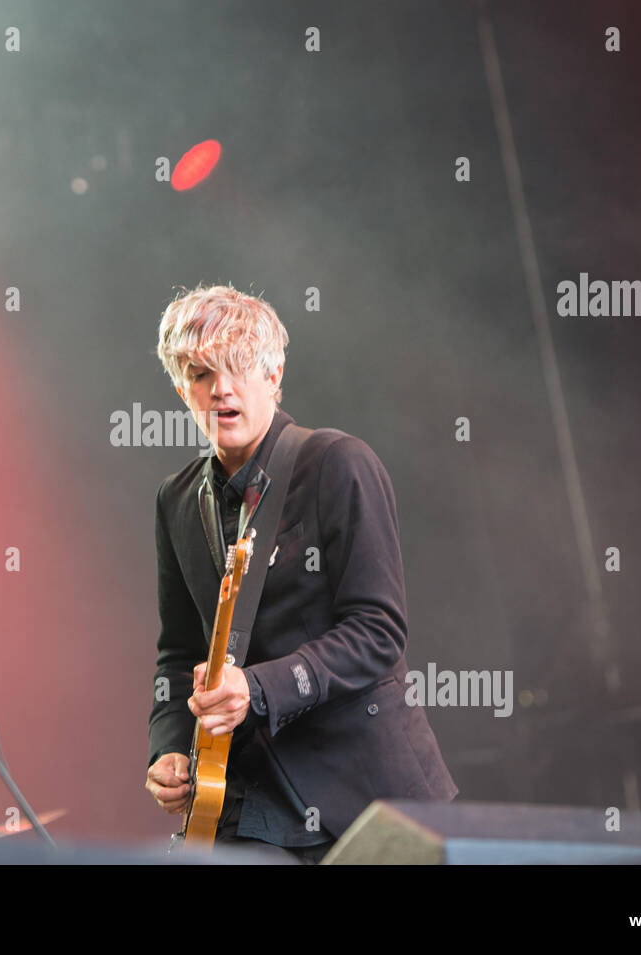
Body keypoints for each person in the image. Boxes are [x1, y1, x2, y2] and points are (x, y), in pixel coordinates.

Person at [144, 285, 457, 864]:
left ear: (273, 373)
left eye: (237, 365)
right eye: (200, 373)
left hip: (361, 797)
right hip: (244, 801)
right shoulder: (176, 499)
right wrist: (166, 749)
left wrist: (258, 689)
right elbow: (177, 653)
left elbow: (377, 632)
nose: (222, 389)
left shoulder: (337, 463)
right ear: (181, 387)